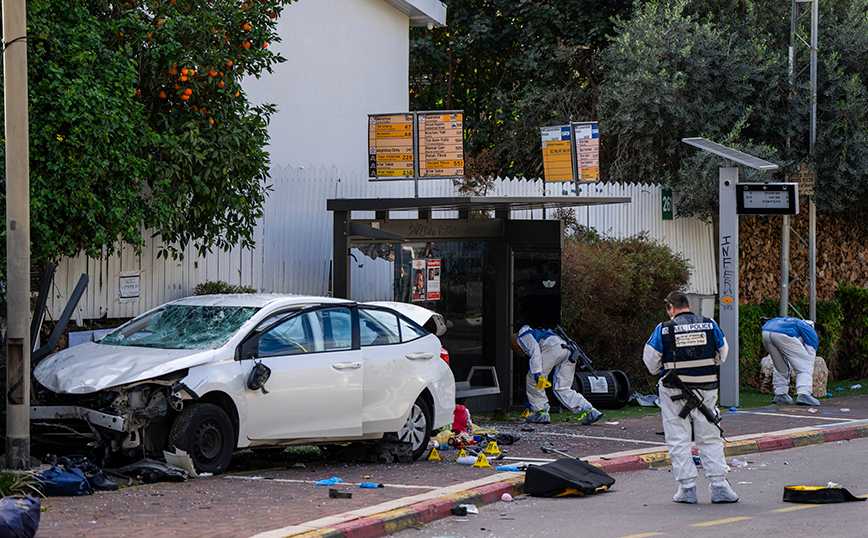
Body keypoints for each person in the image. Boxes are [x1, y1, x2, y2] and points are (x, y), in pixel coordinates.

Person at [643, 291, 738, 504]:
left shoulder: (664, 329)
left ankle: (687, 489)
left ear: (671, 308)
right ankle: (720, 486)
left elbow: (651, 364)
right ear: (688, 305)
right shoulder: (710, 324)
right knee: (710, 435)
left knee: (678, 437)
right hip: (706, 390)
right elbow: (722, 354)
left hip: (674, 392)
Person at [509, 325, 602, 425]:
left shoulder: (522, 337)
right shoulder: (537, 333)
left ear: (514, 344)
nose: (518, 353)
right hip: (570, 350)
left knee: (532, 379)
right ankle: (589, 410)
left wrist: (537, 373)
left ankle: (541, 412)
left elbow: (535, 351)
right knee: (563, 388)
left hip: (553, 347)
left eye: (515, 350)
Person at [762, 317, 825, 406]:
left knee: (781, 366)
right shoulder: (812, 332)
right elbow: (810, 357)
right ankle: (804, 394)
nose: (818, 339)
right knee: (805, 365)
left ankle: (781, 394)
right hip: (784, 334)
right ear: (818, 332)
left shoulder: (798, 323)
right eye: (820, 338)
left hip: (766, 331)